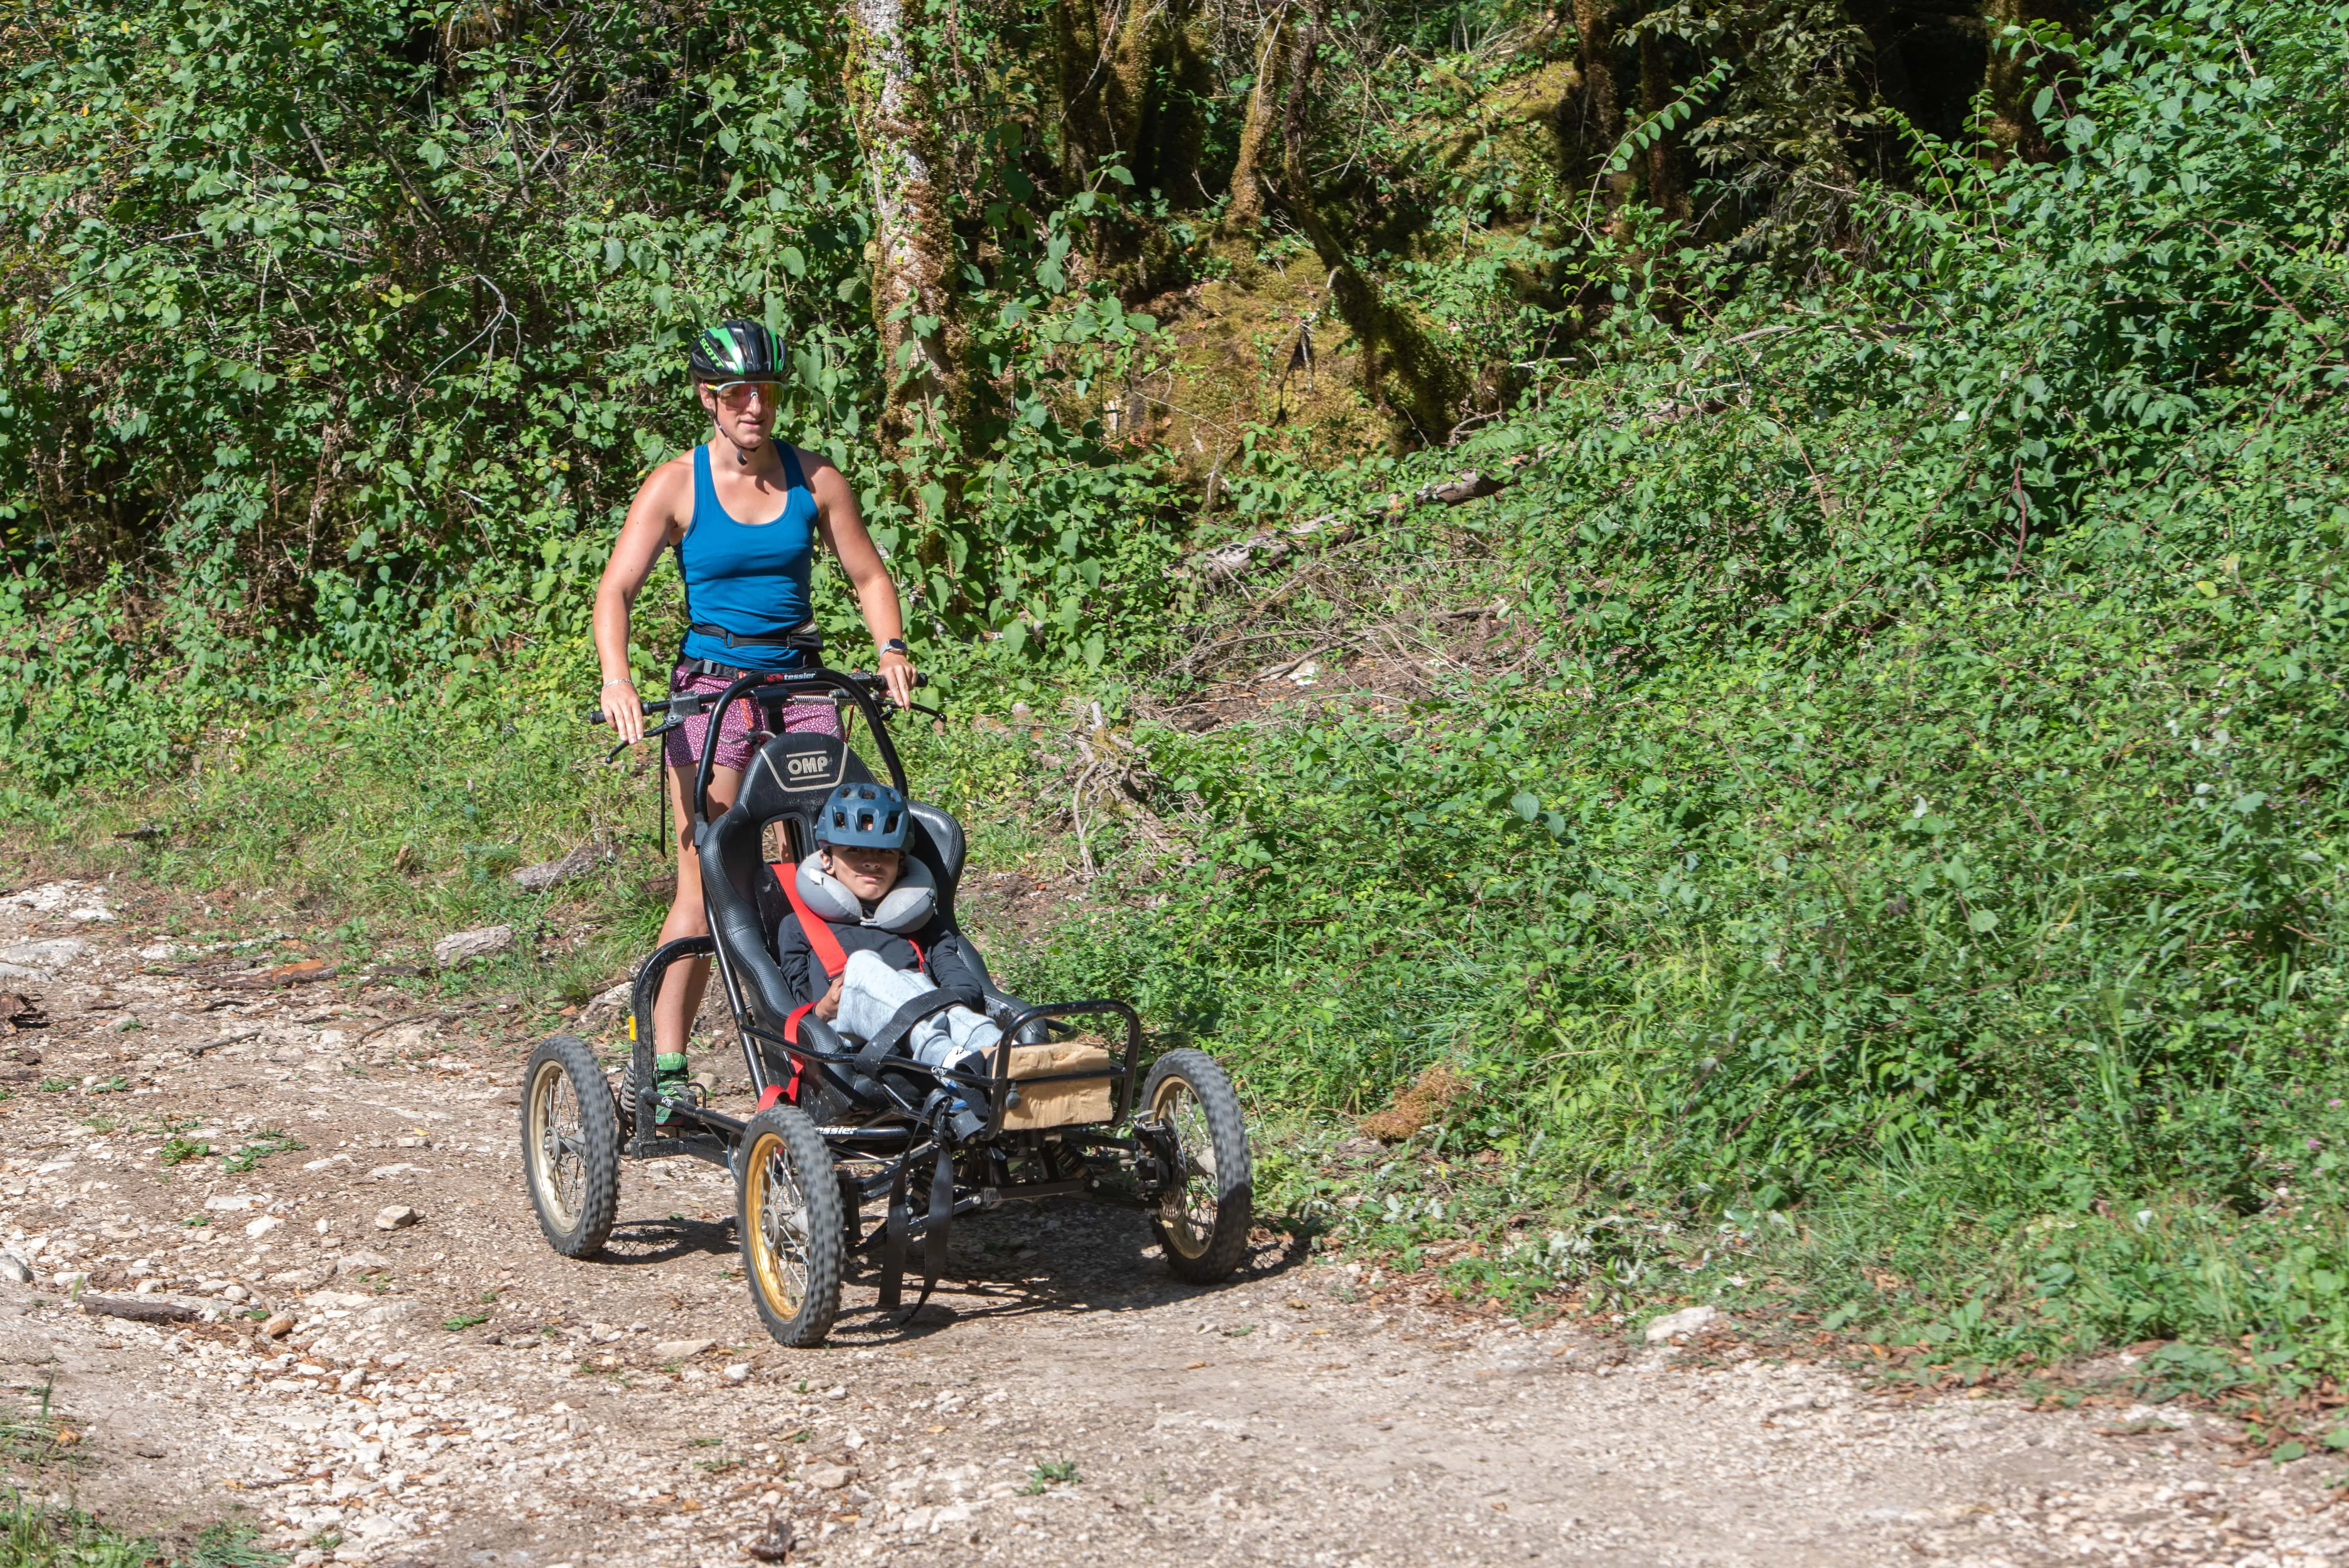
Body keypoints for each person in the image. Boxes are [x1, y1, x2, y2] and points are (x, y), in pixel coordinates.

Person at [594, 319, 917, 1118]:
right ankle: (665, 1066)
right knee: (710, 875)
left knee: (838, 865)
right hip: (713, 689)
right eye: (737, 393)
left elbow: (869, 576)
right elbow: (616, 591)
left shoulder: (815, 479)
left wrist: (891, 647)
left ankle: (830, 1039)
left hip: (802, 680)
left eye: (765, 393)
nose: (753, 407)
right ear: (709, 398)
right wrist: (618, 679)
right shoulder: (677, 484)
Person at [775, 783, 1003, 1104]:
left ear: (902, 862)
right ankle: (952, 1066)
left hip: (925, 1020)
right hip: (849, 1036)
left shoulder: (920, 921)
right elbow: (792, 1007)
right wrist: (824, 1006)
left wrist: (919, 993)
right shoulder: (799, 925)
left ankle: (1010, 1061)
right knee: (863, 965)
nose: (872, 862)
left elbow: (964, 985)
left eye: (885, 852)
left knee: (933, 994)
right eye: (855, 850)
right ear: (827, 859)